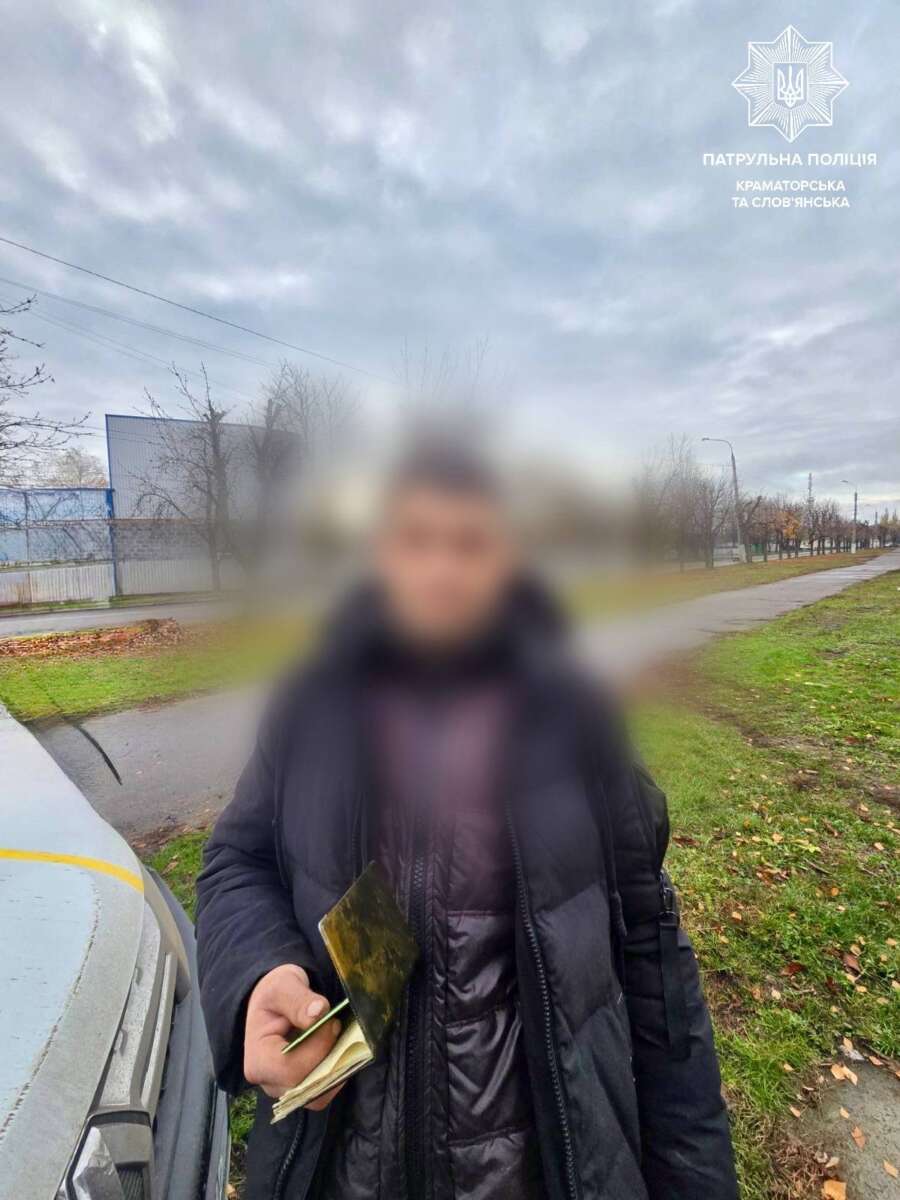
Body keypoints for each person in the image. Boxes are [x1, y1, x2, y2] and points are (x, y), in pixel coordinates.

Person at [195, 439, 738, 1200]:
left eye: (471, 543)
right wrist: (260, 973)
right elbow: (236, 861)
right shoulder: (310, 713)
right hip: (338, 1172)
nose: (441, 571)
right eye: (415, 539)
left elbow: (655, 967)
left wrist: (696, 1179)